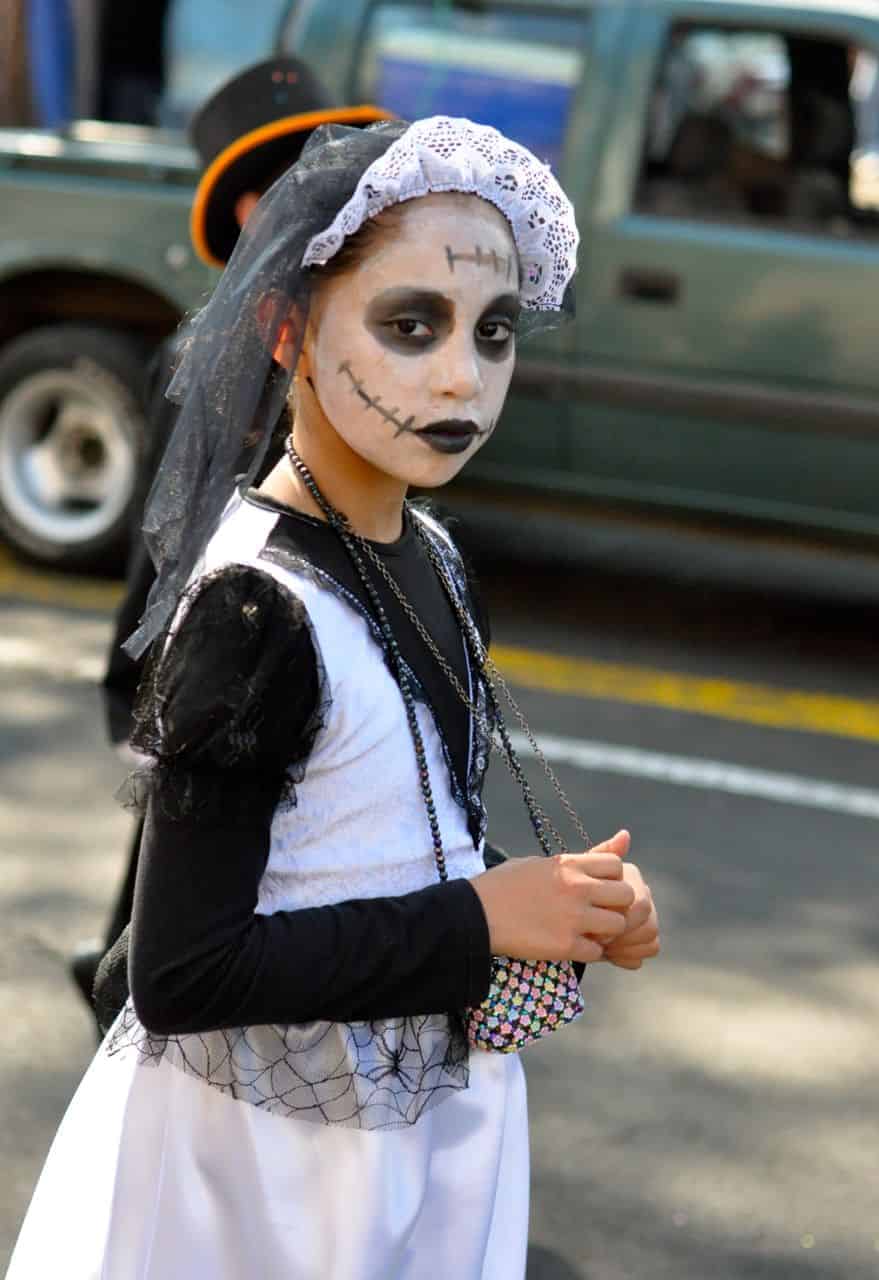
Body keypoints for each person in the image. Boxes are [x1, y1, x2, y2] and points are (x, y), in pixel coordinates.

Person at [11, 115, 661, 1280]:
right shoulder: (254, 614)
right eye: (410, 325)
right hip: (261, 1173)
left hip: (406, 1132)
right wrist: (480, 918)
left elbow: (396, 830)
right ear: (286, 329)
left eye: (495, 330)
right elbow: (176, 974)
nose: (463, 374)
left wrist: (563, 900)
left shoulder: (436, 552)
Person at [68, 56, 392, 1015]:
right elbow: (168, 548)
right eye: (308, 184)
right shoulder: (215, 354)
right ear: (254, 212)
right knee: (180, 900)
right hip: (223, 669)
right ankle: (119, 1002)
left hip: (309, 667)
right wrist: (142, 689)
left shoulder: (353, 331)